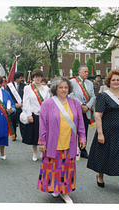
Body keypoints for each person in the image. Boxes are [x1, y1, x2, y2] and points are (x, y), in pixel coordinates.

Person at [37, 76, 86, 204]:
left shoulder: (75, 103)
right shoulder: (47, 104)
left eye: (66, 87)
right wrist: (41, 141)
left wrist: (82, 137)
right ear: (55, 89)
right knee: (54, 167)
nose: (64, 90)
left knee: (67, 168)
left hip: (69, 142)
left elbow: (80, 122)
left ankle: (65, 192)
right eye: (61, 87)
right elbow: (42, 124)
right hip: (52, 143)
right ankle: (55, 187)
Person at [87, 69, 119, 194]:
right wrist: (100, 133)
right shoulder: (103, 96)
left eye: (118, 80)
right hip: (107, 131)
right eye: (113, 80)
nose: (116, 82)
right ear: (109, 81)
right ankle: (100, 175)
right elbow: (98, 115)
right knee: (104, 154)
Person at [22, 69, 50, 161]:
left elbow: (49, 103)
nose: (37, 78)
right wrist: (29, 114)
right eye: (35, 76)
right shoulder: (28, 88)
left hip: (44, 115)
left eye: (39, 76)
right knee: (34, 135)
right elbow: (26, 102)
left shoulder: (46, 89)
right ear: (33, 77)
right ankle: (35, 152)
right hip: (34, 115)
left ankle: (43, 151)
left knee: (44, 134)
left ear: (41, 77)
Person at [70, 65, 96, 158]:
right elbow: (71, 95)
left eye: (87, 71)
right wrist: (81, 105)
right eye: (85, 71)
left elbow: (93, 96)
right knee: (74, 130)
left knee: (84, 130)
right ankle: (73, 148)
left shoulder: (90, 83)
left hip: (86, 111)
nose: (87, 73)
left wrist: (87, 106)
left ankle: (83, 149)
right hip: (76, 110)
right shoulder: (72, 82)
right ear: (79, 72)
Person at [5, 71, 26, 141]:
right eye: (20, 78)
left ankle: (24, 136)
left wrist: (22, 103)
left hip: (21, 107)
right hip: (13, 107)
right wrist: (14, 103)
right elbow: (8, 96)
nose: (22, 79)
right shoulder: (8, 86)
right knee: (13, 122)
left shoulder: (24, 86)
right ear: (16, 78)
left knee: (22, 122)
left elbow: (26, 96)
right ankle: (13, 135)